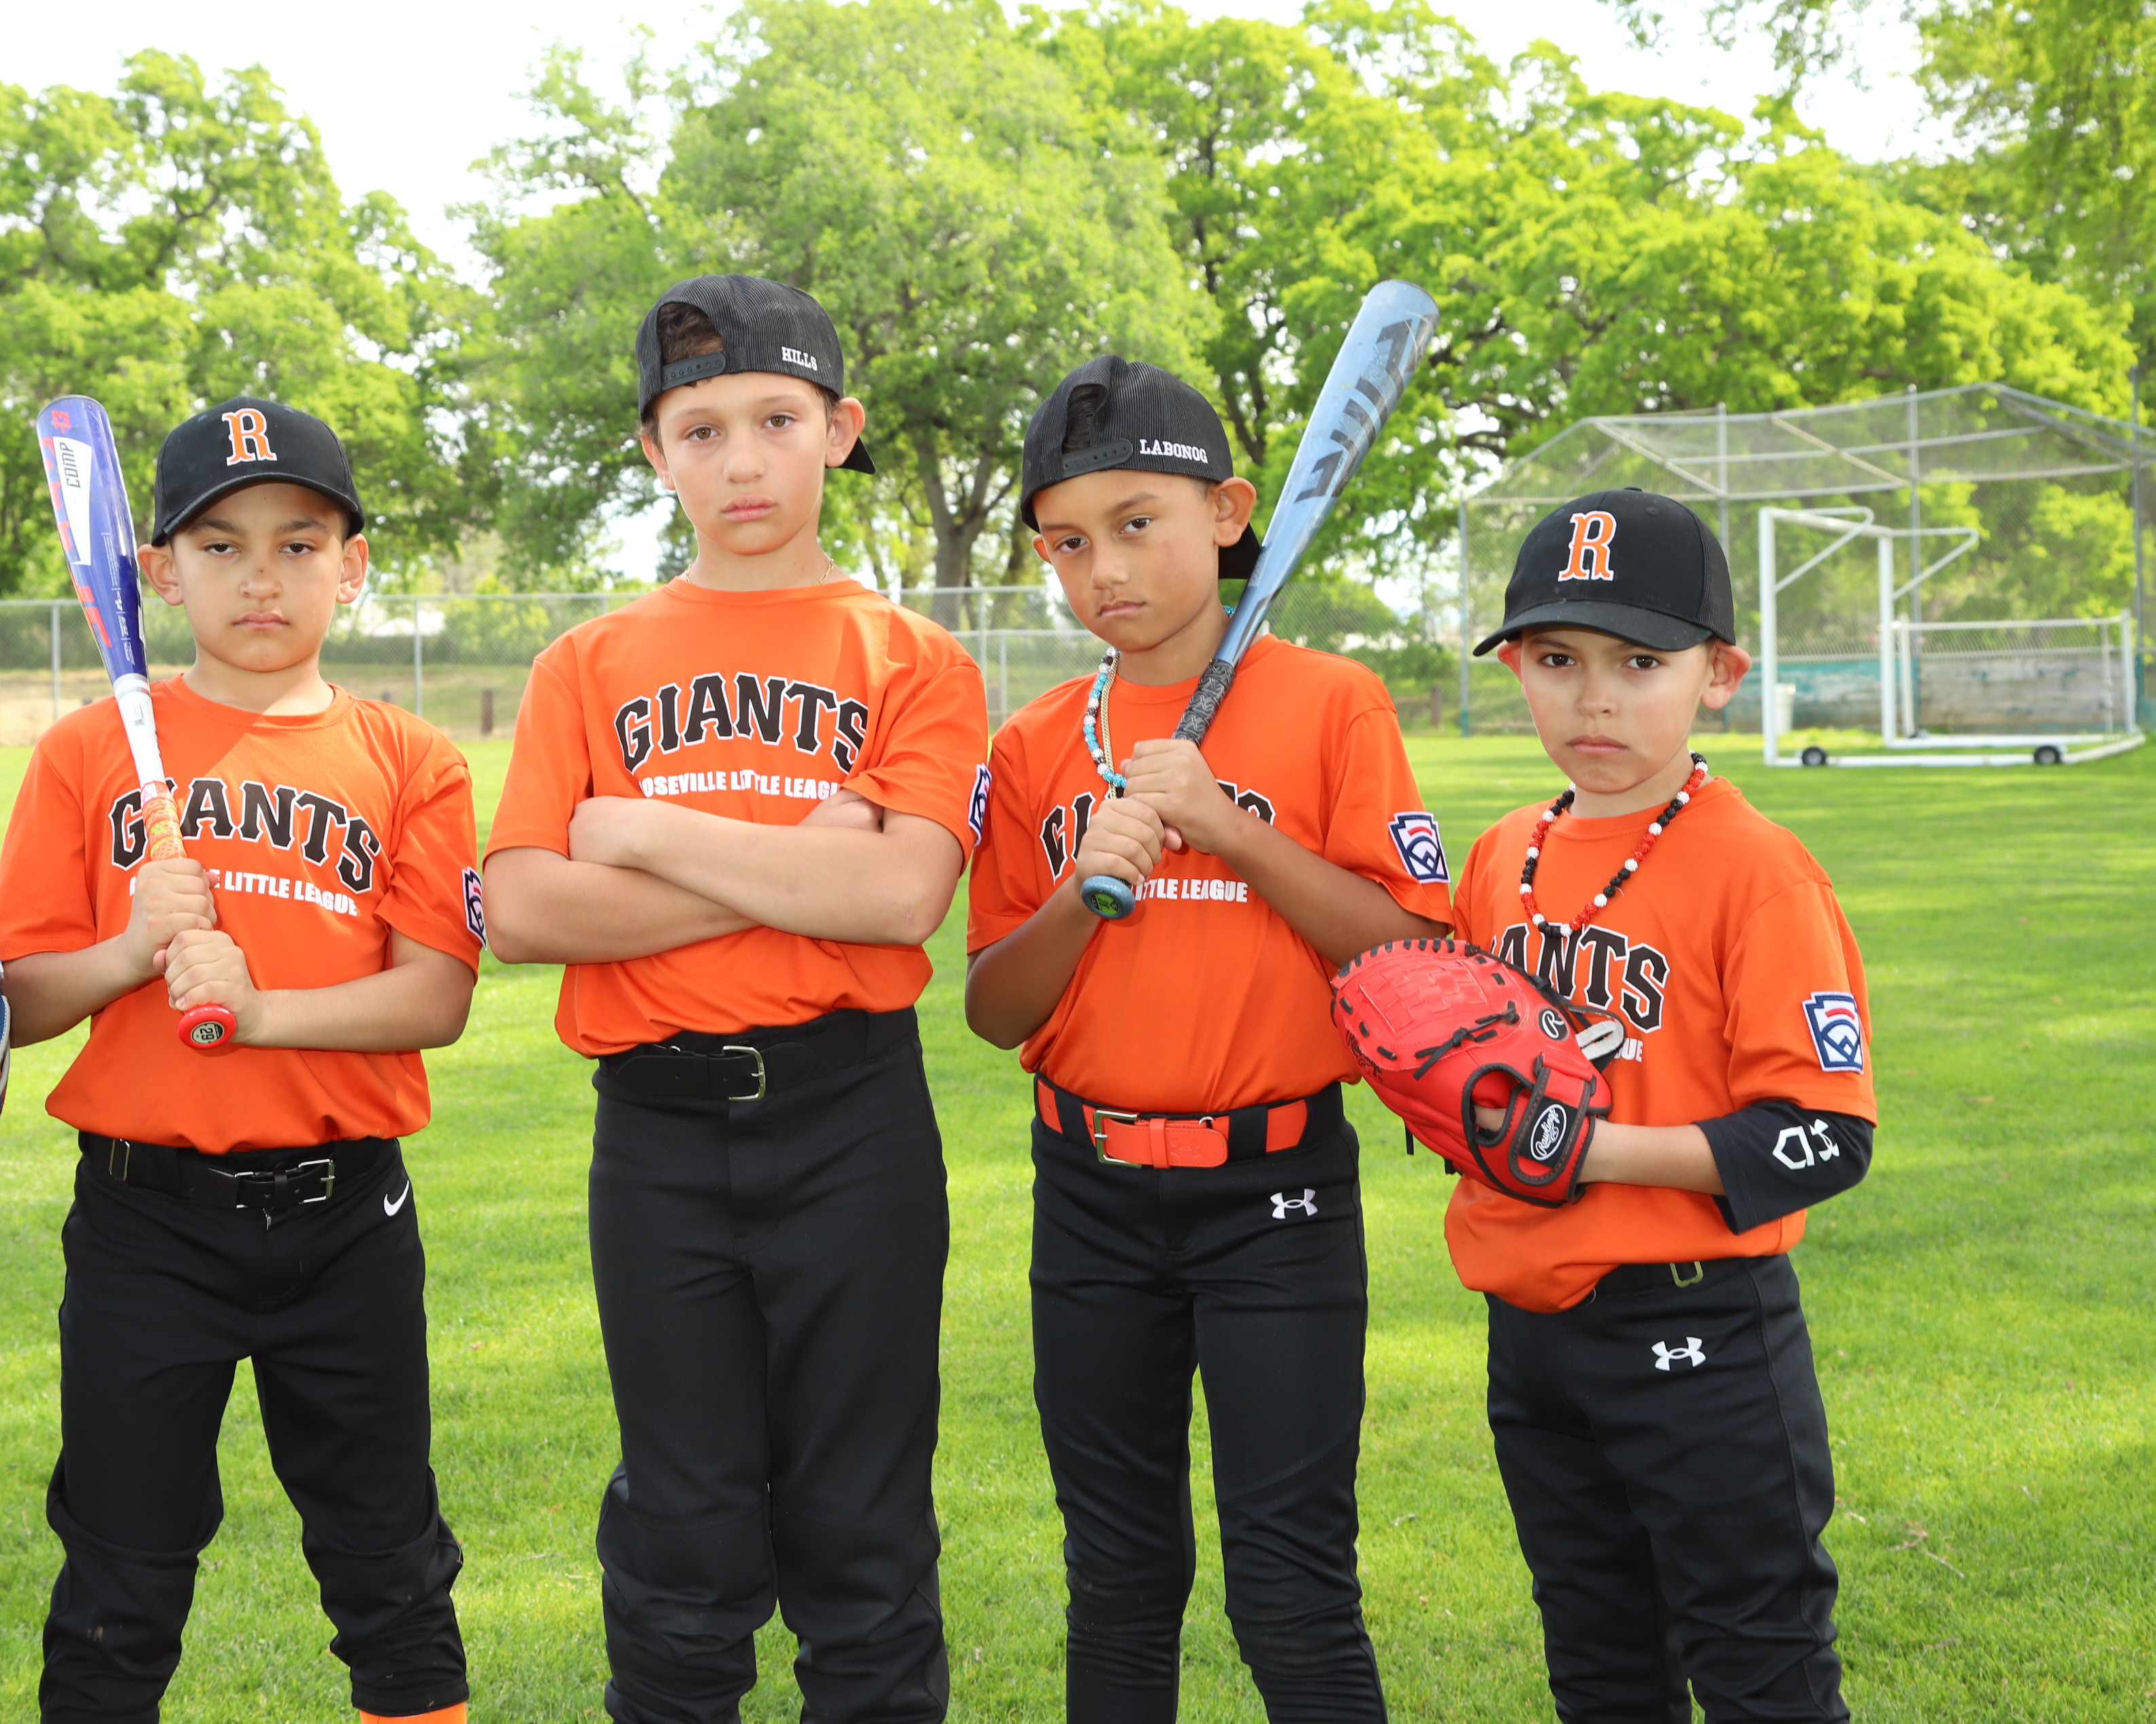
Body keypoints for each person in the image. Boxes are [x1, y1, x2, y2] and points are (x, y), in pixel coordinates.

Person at [480, 274, 988, 1724]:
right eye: (700, 430)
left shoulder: (912, 658)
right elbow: (524, 911)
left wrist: (639, 829)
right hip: (656, 1133)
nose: (742, 460)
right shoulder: (586, 663)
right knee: (681, 1523)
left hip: (850, 1118)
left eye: (777, 420)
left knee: (862, 1520)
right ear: (655, 451)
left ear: (842, 428)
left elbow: (901, 899)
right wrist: (799, 862)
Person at [962, 357, 1449, 1724]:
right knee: (1116, 1576)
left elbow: (1409, 951)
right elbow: (995, 1007)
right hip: (1089, 1194)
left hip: (1276, 1196)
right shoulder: (1036, 740)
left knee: (1290, 1585)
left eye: (1137, 523)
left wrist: (1229, 828)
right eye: (1067, 542)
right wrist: (1081, 889)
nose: (1104, 568)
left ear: (1230, 514)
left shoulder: (1331, 703)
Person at [0, 398, 486, 1724]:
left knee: (390, 1567)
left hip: (348, 1214)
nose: (261, 576)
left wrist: (260, 1012)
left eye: (298, 543)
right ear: (159, 573)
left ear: (352, 565)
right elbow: (17, 1001)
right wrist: (127, 950)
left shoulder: (410, 758)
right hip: (146, 1222)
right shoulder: (86, 752)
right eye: (220, 546)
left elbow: (436, 996)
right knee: (121, 1573)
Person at [1448, 487, 1875, 1722]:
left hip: (1700, 1335)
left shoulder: (1758, 871)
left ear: (1719, 675)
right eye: (1557, 659)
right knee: (1599, 1669)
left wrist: (1588, 1151)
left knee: (1759, 1668)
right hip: (1532, 1334)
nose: (1595, 699)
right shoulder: (1503, 854)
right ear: (1517, 670)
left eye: (1640, 662)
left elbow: (1824, 1136)